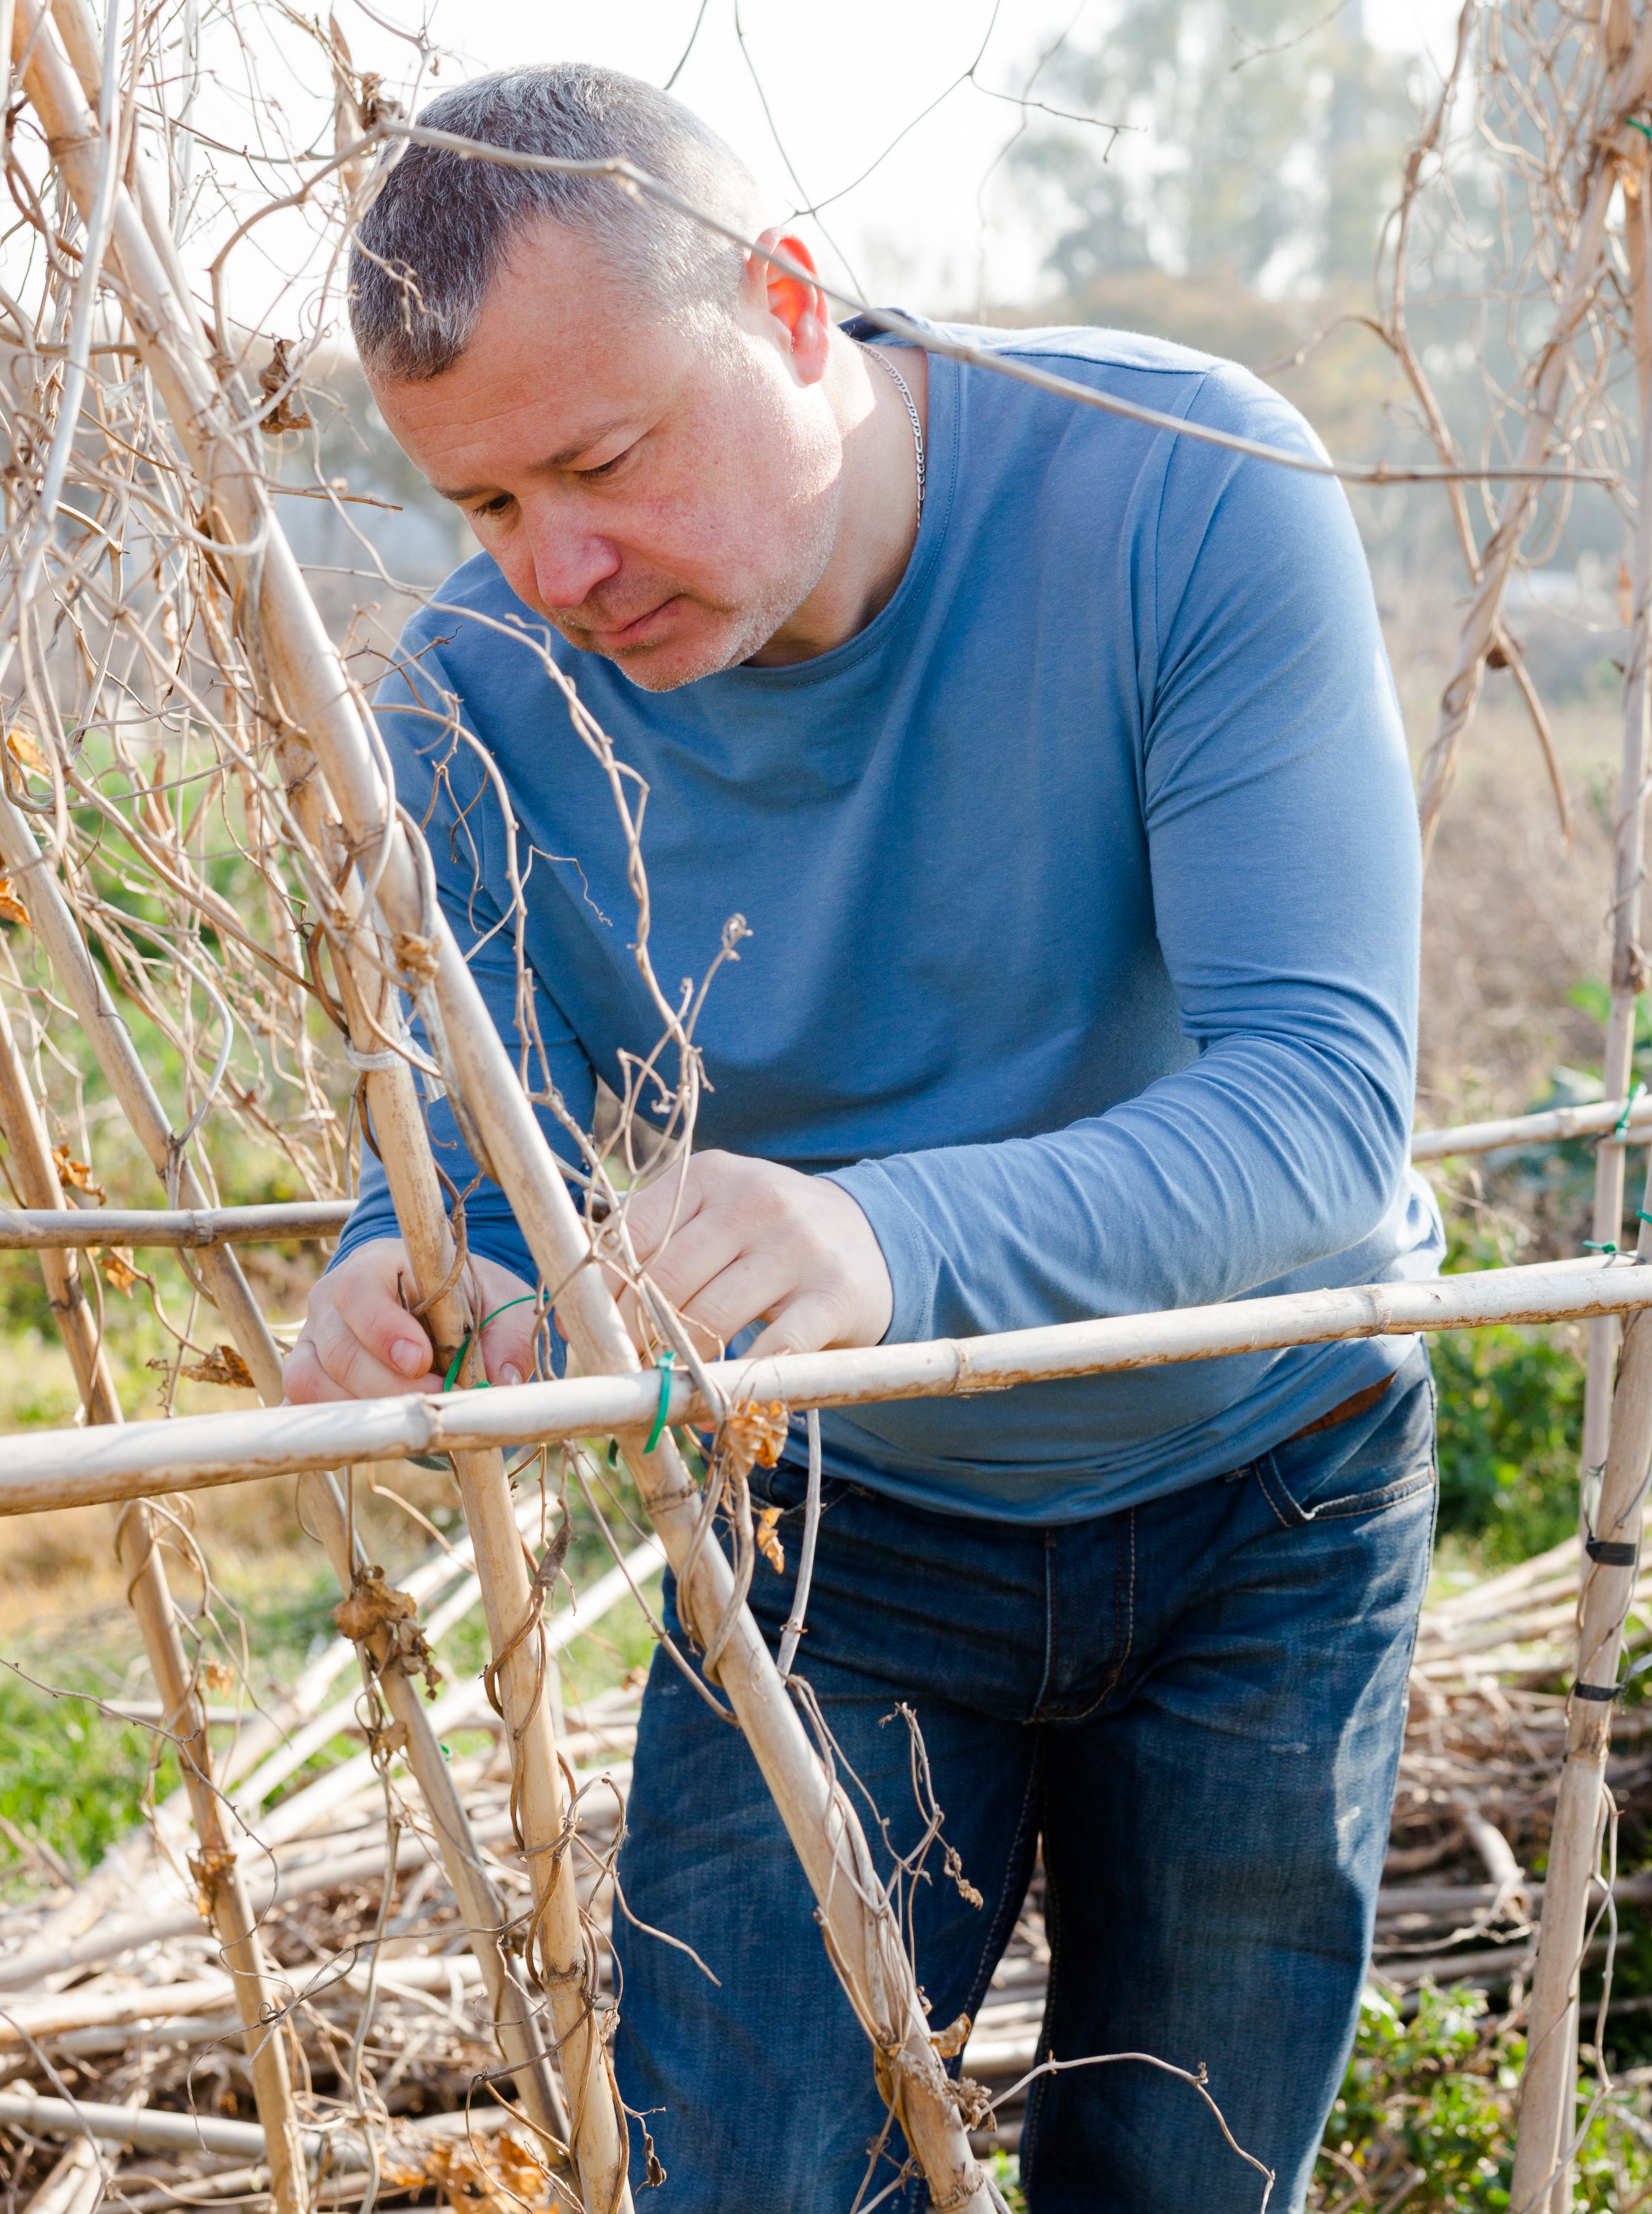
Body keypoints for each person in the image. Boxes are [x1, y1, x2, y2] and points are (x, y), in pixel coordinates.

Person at [293, 63, 1438, 2212]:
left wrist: (878, 1238)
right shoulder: (471, 700)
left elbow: (1320, 1106)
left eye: (601, 461)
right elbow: (468, 1147)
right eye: (485, 509)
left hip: (1263, 1485)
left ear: (795, 300)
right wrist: (404, 1267)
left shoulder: (1180, 490)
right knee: (748, 2177)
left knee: (1181, 2180)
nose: (559, 567)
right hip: (837, 1518)